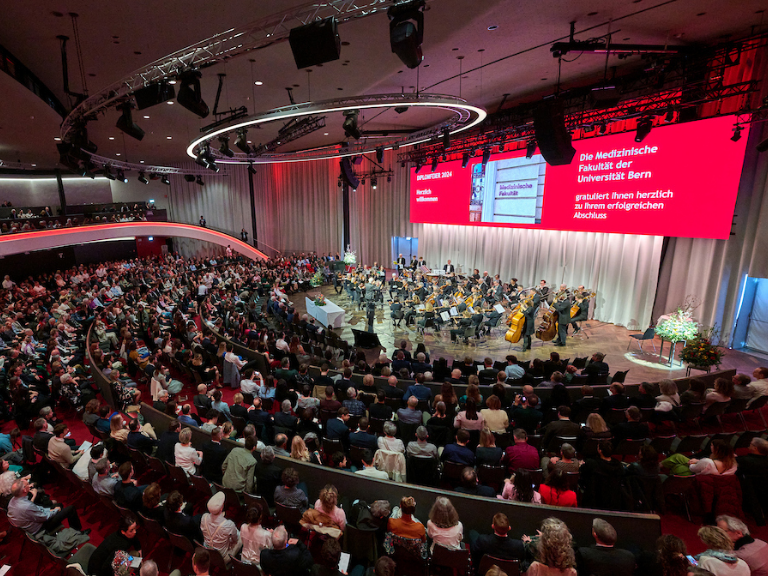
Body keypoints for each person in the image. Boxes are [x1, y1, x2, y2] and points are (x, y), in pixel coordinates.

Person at [7, 476, 84, 533]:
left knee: (59, 505)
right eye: (28, 485)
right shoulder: (27, 506)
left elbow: (36, 510)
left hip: (31, 523)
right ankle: (78, 533)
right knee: (70, 509)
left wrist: (50, 510)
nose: (30, 486)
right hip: (40, 527)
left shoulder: (12, 501)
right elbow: (44, 517)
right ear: (24, 490)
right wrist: (55, 510)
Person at [201, 491, 242, 562]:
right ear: (221, 508)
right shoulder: (228, 524)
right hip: (222, 558)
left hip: (207, 551)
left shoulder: (204, 517)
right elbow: (235, 540)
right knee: (241, 536)